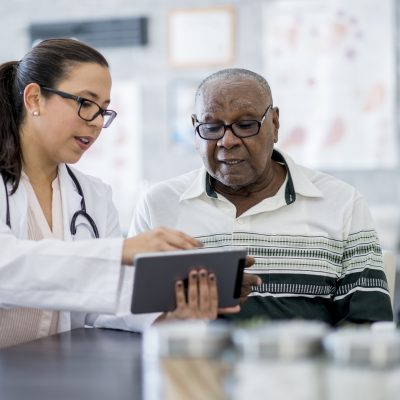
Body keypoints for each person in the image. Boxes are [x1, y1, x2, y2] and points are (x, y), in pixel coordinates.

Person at [0, 38, 221, 349]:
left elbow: (99, 305)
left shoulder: (93, 195)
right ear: (35, 99)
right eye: (85, 104)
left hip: (54, 376)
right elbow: (6, 269)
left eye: (104, 110)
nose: (96, 123)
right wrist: (117, 253)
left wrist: (167, 317)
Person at [128, 68, 393, 326]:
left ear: (274, 124)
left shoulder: (342, 203)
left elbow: (366, 325)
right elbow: (126, 315)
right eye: (211, 127)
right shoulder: (158, 204)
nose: (227, 141)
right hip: (191, 366)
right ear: (195, 129)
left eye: (245, 125)